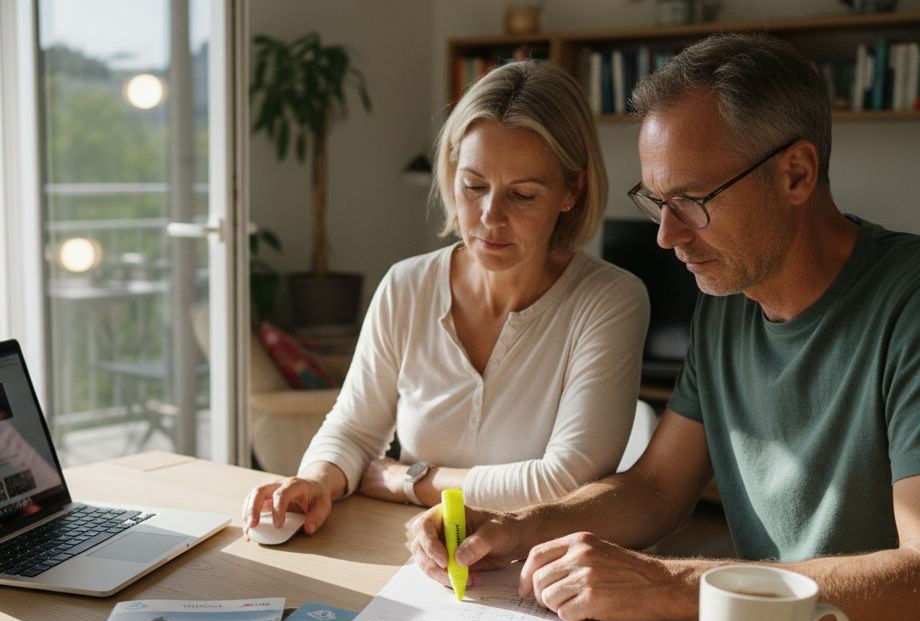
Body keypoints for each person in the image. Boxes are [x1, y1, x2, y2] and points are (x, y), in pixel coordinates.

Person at [408, 33, 920, 621]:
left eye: (693, 201)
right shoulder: (728, 303)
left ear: (797, 174)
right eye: (656, 201)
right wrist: (515, 528)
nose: (667, 236)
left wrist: (674, 585)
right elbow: (656, 489)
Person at [243, 60, 649, 537]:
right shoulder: (406, 285)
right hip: (413, 551)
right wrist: (315, 479)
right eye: (473, 186)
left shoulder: (610, 300)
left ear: (571, 191)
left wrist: (410, 480)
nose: (489, 217)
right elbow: (353, 430)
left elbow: (564, 482)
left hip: (539, 563)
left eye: (522, 196)